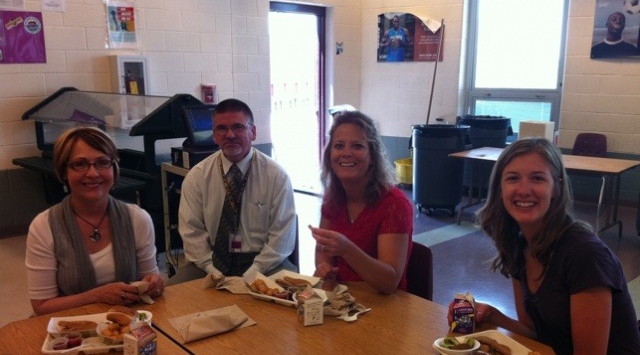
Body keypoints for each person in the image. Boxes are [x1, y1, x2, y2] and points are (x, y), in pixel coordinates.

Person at [447, 138, 640, 355]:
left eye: (537, 178)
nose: (524, 188)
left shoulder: (584, 253)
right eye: (513, 178)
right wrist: (494, 316)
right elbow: (535, 331)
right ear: (500, 189)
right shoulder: (521, 246)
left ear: (556, 187)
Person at [26, 127, 164, 315]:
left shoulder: (137, 219)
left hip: (126, 325)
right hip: (70, 330)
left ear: (114, 170)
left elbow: (149, 276)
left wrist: (154, 283)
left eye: (102, 163)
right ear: (63, 171)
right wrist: (97, 296)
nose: (92, 173)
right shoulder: (44, 226)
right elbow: (42, 306)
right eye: (80, 164)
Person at [172, 98, 296, 283]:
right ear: (214, 135)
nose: (230, 135)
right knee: (170, 299)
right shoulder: (197, 176)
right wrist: (212, 270)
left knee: (295, 298)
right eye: (222, 129)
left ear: (252, 132)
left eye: (238, 127)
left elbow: (281, 238)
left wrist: (253, 273)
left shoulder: (276, 177)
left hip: (263, 263)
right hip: (210, 261)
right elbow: (191, 233)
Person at [309, 110, 413, 294]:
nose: (346, 153)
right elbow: (323, 251)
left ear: (372, 157)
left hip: (385, 306)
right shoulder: (332, 198)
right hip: (343, 301)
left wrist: (347, 249)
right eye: (339, 145)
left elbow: (389, 282)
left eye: (357, 146)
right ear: (329, 155)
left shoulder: (394, 204)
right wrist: (325, 268)